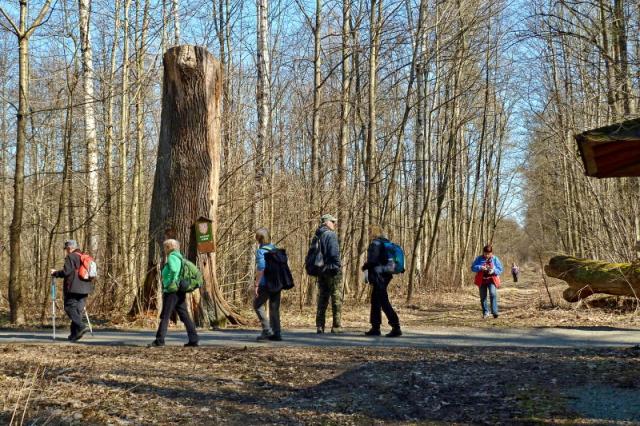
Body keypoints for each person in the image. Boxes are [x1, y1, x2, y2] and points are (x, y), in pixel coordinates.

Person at [149, 239, 199, 347]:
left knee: (165, 316)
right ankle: (193, 340)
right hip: (179, 291)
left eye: (165, 247)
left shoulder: (172, 257)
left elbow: (174, 270)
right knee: (184, 315)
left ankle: (159, 340)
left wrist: (171, 282)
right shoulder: (180, 257)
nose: (164, 249)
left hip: (172, 291)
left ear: (169, 247)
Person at [362, 225, 402, 337]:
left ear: (373, 233)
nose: (368, 234)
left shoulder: (375, 244)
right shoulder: (386, 242)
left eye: (369, 232)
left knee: (383, 300)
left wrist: (365, 266)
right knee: (375, 300)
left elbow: (373, 260)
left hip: (379, 275)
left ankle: (396, 326)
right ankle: (375, 327)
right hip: (386, 274)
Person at [50, 240, 93, 341]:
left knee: (69, 308)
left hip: (73, 288)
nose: (66, 251)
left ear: (69, 248)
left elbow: (66, 272)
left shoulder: (71, 257)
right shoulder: (84, 256)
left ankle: (81, 326)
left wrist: (55, 273)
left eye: (66, 249)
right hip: (85, 287)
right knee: (77, 311)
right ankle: (74, 335)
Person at [314, 214, 343, 334]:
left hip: (321, 270)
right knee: (336, 297)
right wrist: (337, 266)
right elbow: (334, 253)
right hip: (331, 270)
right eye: (333, 221)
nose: (334, 224)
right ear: (326, 222)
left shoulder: (316, 235)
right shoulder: (331, 235)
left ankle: (320, 326)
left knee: (323, 297)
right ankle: (336, 326)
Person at [253, 228, 282, 341]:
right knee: (274, 308)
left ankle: (267, 330)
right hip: (277, 282)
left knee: (257, 305)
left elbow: (261, 269)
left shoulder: (261, 251)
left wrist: (256, 285)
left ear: (259, 239)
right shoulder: (275, 249)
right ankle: (277, 333)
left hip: (266, 284)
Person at [471, 244, 503, 319]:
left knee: (493, 294)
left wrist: (493, 271)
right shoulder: (479, 258)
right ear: (483, 252)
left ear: (491, 253)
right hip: (481, 280)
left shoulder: (495, 259)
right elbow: (473, 268)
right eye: (485, 253)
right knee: (483, 297)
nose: (487, 255)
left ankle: (495, 312)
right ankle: (486, 312)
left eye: (488, 254)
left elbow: (500, 269)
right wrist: (480, 267)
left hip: (491, 280)